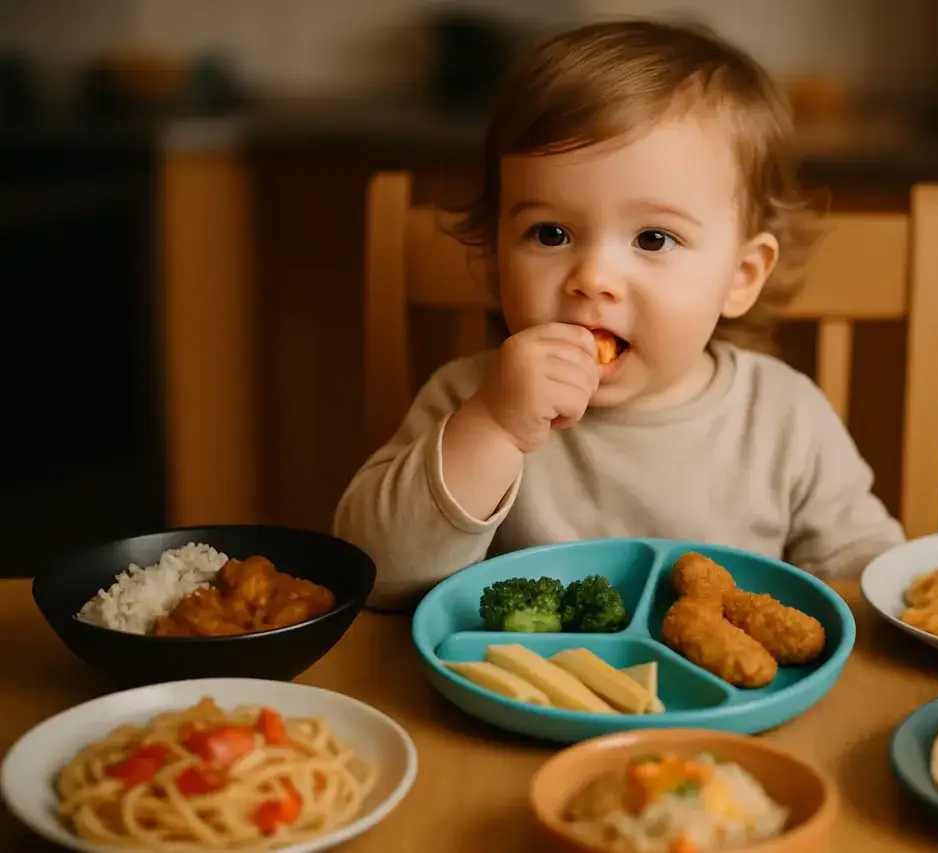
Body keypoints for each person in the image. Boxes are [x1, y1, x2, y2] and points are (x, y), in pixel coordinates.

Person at [334, 19, 905, 610]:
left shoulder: (785, 420)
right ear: (497, 255)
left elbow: (867, 586)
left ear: (741, 277)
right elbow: (375, 574)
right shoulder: (468, 397)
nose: (593, 279)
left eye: (654, 239)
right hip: (523, 696)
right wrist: (496, 427)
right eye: (550, 233)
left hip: (734, 698)